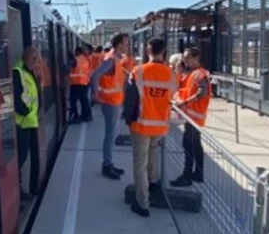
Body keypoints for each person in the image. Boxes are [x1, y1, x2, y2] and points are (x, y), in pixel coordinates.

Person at [127, 37, 177, 217]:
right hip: (160, 126)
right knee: (153, 153)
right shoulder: (172, 75)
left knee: (139, 163)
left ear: (148, 51)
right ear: (164, 51)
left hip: (141, 125)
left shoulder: (138, 71)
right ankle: (154, 181)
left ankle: (143, 203)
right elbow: (170, 97)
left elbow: (130, 100)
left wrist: (128, 121)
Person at [90, 32, 130, 180]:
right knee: (110, 134)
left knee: (112, 133)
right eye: (125, 44)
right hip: (110, 102)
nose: (127, 46)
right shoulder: (111, 60)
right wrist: (96, 94)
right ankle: (106, 165)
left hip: (114, 101)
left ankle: (109, 162)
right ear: (119, 45)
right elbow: (94, 76)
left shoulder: (115, 59)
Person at [172, 47, 210, 187]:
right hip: (191, 115)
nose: (185, 60)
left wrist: (185, 103)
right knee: (195, 145)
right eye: (184, 57)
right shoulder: (191, 74)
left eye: (188, 57)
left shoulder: (199, 74)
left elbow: (202, 92)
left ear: (196, 58)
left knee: (188, 146)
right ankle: (198, 174)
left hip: (194, 116)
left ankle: (187, 175)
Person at [12, 46, 43, 205]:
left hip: (32, 121)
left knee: (34, 156)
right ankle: (16, 189)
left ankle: (34, 187)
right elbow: (17, 99)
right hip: (23, 123)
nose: (37, 62)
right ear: (29, 58)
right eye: (35, 59)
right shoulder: (18, 72)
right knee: (21, 157)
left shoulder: (30, 71)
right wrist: (26, 112)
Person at [68, 45, 92, 124]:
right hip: (84, 82)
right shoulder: (85, 59)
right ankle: (87, 115)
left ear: (78, 52)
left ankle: (76, 117)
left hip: (76, 83)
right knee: (84, 100)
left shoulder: (77, 59)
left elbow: (69, 66)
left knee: (73, 101)